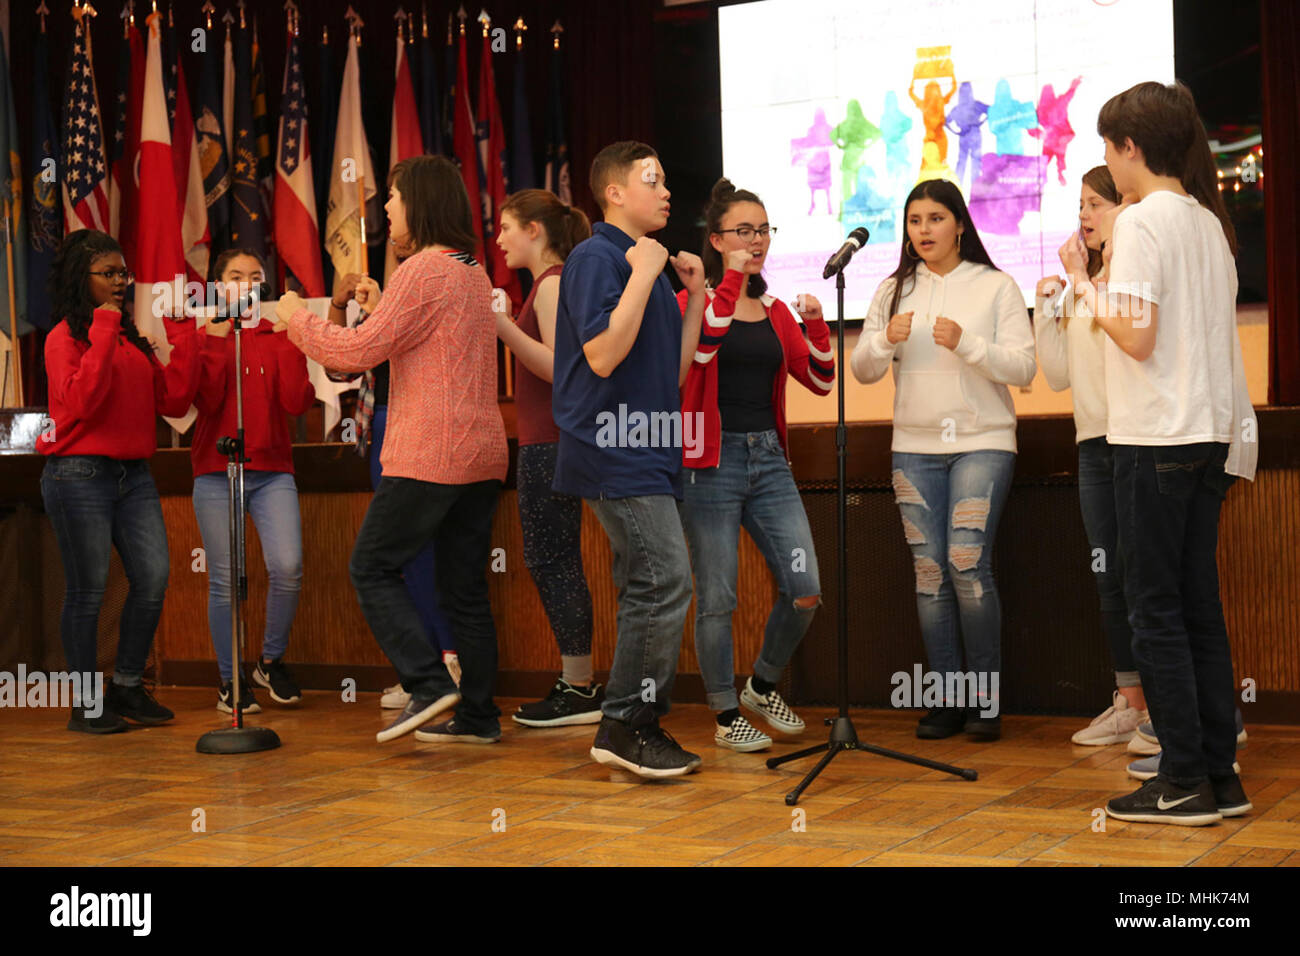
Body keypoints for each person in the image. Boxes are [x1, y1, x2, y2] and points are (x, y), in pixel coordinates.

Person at [277, 155, 508, 744]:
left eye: (395, 197)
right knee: (465, 587)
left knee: (371, 566)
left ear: (421, 203)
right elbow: (421, 347)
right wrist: (381, 310)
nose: (386, 207)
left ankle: (428, 684)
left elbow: (353, 355)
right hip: (481, 456)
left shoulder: (424, 271)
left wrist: (296, 318)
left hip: (432, 452)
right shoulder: (470, 270)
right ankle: (479, 716)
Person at [1083, 81, 1256, 826]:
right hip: (1211, 435)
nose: (1106, 165)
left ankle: (1182, 779)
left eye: (1107, 148)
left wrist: (1090, 296)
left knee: (1155, 611)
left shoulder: (1144, 219)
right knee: (1197, 609)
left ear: (1129, 147)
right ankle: (1218, 775)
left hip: (1156, 438)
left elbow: (1138, 336)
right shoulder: (1206, 221)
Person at [851, 179, 1036, 741]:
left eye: (935, 218)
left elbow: (1025, 370)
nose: (923, 230)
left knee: (966, 564)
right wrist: (884, 340)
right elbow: (861, 370)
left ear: (959, 224)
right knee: (930, 576)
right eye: (914, 221)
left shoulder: (997, 286)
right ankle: (948, 700)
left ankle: (985, 702)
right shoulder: (890, 291)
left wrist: (969, 345)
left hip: (983, 442)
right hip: (914, 448)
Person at [551, 141, 707, 777]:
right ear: (614, 192)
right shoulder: (597, 256)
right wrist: (645, 273)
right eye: (653, 179)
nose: (666, 190)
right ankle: (627, 724)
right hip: (612, 447)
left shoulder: (650, 265)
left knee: (648, 584)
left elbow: (667, 375)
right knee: (665, 580)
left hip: (649, 443)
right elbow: (601, 357)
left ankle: (628, 723)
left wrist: (689, 295)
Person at [677, 177, 833, 752]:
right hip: (708, 463)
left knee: (806, 588)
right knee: (717, 597)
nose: (757, 240)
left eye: (763, 229)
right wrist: (732, 284)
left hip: (769, 460)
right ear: (717, 240)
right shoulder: (694, 302)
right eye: (743, 231)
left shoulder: (775, 311)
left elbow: (819, 380)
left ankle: (761, 684)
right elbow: (703, 349)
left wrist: (814, 324)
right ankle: (723, 713)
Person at [37, 229, 200, 733]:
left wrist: (184, 335)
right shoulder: (64, 337)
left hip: (135, 474)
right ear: (79, 279)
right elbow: (80, 402)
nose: (119, 283)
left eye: (122, 273)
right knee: (89, 590)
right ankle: (87, 704)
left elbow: (173, 403)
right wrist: (106, 329)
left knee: (152, 580)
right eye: (107, 274)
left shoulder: (130, 338)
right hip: (77, 473)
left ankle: (127, 686)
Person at [1033, 167, 1148, 745]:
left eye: (1096, 203)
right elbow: (1056, 375)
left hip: (1137, 441)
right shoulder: (1083, 285)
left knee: (1146, 575)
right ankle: (1130, 700)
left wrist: (1083, 283)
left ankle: (1171, 709)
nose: (1084, 215)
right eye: (1079, 204)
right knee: (1108, 575)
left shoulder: (1124, 283)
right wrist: (1044, 309)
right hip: (1091, 445)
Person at [326, 223, 458, 711]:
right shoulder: (393, 301)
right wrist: (342, 309)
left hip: (419, 426)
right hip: (382, 424)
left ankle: (444, 664)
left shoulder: (435, 283)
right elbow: (341, 367)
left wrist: (383, 310)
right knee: (402, 554)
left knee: (425, 550)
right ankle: (422, 667)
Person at [493, 188, 601, 727]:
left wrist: (502, 327)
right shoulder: (545, 286)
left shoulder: (552, 286)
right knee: (554, 559)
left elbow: (563, 369)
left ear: (534, 230)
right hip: (547, 443)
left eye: (507, 227)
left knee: (552, 559)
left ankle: (579, 686)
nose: (499, 239)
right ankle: (578, 681)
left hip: (551, 444)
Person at [191, 248, 315, 714]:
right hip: (216, 471)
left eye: (254, 277)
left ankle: (269, 660)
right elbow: (201, 399)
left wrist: (292, 344)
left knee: (287, 567)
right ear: (218, 285)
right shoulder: (204, 333)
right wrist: (217, 340)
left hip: (272, 470)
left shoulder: (275, 334)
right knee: (225, 579)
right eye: (234, 276)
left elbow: (298, 402)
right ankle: (230, 679)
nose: (245, 284)